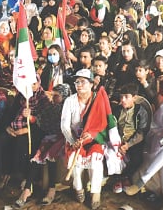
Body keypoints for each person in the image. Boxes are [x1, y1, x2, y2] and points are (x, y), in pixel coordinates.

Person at [61, 69, 113, 210]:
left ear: (91, 84)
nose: (79, 85)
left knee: (96, 163)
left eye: (83, 82)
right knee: (76, 165)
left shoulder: (98, 100)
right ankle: (79, 189)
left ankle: (95, 193)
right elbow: (64, 126)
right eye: (77, 81)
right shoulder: (69, 101)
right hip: (75, 139)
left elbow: (104, 124)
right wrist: (73, 141)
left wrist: (93, 135)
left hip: (93, 140)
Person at [24, 83, 72, 206]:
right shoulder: (50, 107)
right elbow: (40, 120)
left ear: (65, 96)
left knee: (50, 156)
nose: (53, 98)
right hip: (49, 137)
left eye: (57, 96)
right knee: (36, 157)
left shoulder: (69, 108)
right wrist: (30, 117)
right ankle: (27, 189)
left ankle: (51, 189)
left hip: (64, 139)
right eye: (53, 95)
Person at [113, 83, 152, 194]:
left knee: (137, 158)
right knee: (113, 155)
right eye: (121, 97)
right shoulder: (117, 110)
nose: (123, 100)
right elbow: (112, 128)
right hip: (118, 140)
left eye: (126, 97)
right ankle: (117, 178)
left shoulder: (141, 111)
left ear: (134, 98)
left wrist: (128, 144)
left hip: (134, 142)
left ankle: (126, 177)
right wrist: (118, 142)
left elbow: (141, 132)